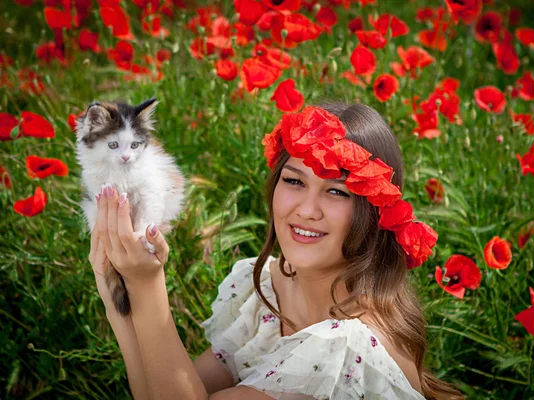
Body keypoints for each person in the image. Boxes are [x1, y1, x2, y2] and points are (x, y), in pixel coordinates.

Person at [89, 101, 463, 399]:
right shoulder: (271, 288)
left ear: (373, 211)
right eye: (294, 181)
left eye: (336, 191)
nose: (306, 209)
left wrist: (147, 284)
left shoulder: (349, 351)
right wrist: (118, 300)